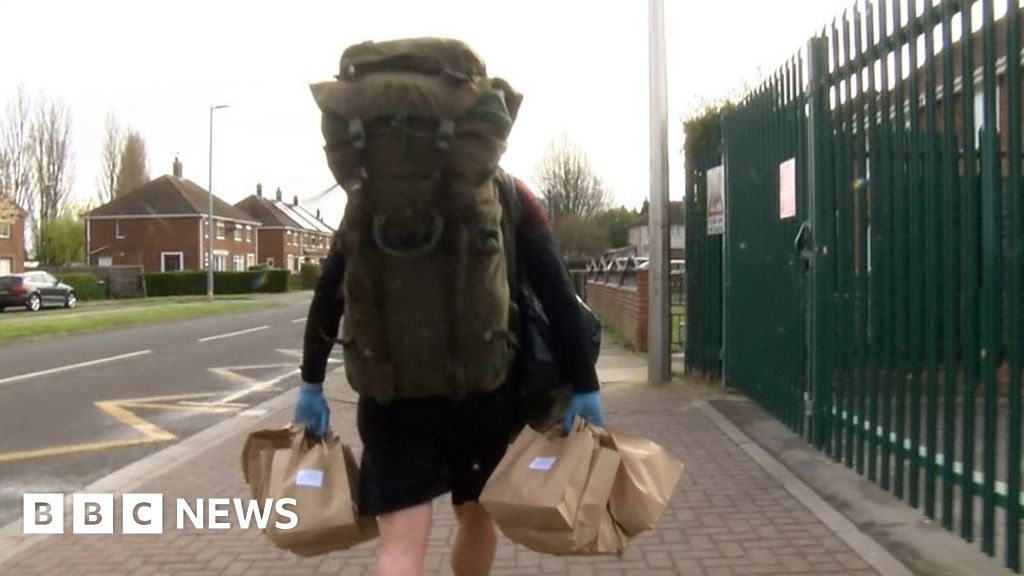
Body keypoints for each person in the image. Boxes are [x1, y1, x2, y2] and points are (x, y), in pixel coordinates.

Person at [294, 171, 604, 575]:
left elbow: (329, 292)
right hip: (483, 392)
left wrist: (312, 382)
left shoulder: (371, 196)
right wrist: (585, 384)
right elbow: (558, 293)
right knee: (474, 518)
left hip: (392, 394)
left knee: (401, 544)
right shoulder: (506, 193)